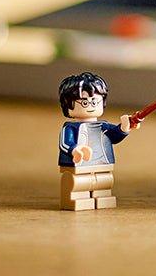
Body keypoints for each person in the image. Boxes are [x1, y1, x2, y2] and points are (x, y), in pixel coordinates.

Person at [57, 72, 140, 210]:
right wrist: (75, 150)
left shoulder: (103, 126)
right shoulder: (71, 128)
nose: (90, 105)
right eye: (84, 102)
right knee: (80, 183)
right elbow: (65, 143)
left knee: (103, 182)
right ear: (68, 104)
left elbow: (115, 136)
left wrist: (125, 126)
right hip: (80, 163)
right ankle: (78, 199)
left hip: (102, 162)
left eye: (95, 101)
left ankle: (102, 199)